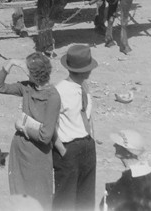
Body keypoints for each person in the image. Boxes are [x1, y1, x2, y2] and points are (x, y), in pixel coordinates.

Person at [0, 54, 61, 208]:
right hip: (20, 151)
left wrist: (22, 127)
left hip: (38, 156)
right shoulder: (27, 87)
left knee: (40, 200)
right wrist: (9, 64)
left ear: (33, 74)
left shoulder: (53, 96)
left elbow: (46, 136)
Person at [52, 45, 98, 211]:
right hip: (68, 150)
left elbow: (88, 116)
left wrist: (91, 138)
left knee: (86, 199)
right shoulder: (58, 92)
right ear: (85, 70)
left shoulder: (84, 87)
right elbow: (50, 125)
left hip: (87, 146)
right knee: (65, 200)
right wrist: (62, 150)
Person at [104, 131, 151, 211]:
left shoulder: (128, 179)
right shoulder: (147, 173)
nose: (114, 145)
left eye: (118, 145)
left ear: (127, 152)